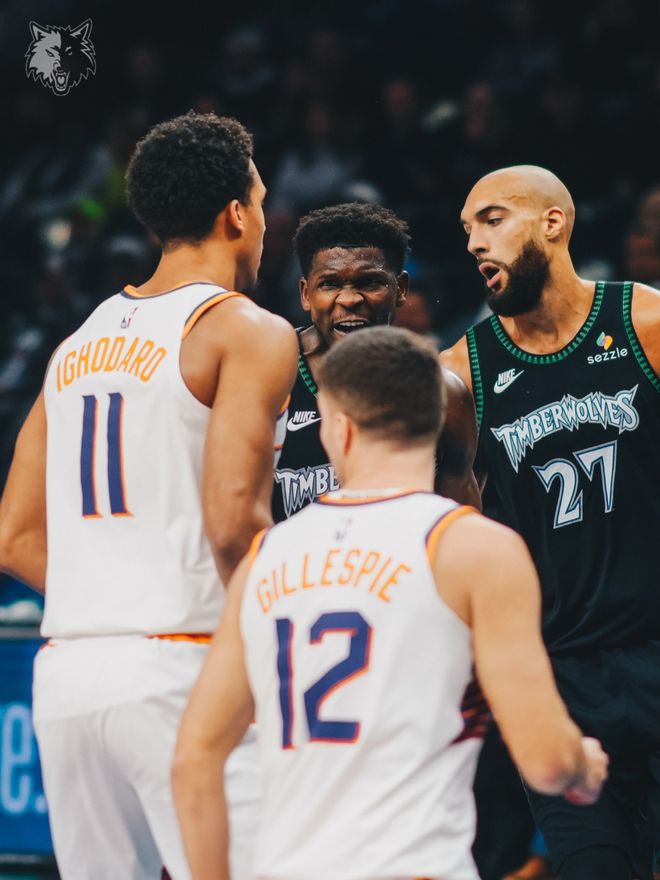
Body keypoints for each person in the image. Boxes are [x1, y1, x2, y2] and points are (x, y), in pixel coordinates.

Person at [172, 326, 607, 880]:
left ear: (339, 429)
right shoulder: (474, 547)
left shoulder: (266, 555)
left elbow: (194, 760)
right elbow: (546, 761)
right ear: (437, 422)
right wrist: (582, 766)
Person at [0, 111, 298, 880]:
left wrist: (110, 602)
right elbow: (233, 523)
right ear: (236, 214)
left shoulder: (75, 345)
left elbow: (14, 538)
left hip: (69, 673)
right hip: (185, 662)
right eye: (261, 203)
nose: (264, 222)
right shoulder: (246, 330)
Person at [442, 164, 660, 880]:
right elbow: (453, 532)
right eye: (467, 229)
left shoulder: (645, 323)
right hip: (559, 680)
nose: (475, 242)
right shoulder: (462, 374)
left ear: (553, 223)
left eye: (492, 219)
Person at [272, 201, 480, 522]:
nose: (350, 299)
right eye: (330, 284)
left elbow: (460, 527)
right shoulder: (270, 378)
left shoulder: (444, 392)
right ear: (305, 294)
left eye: (369, 282)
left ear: (401, 289)